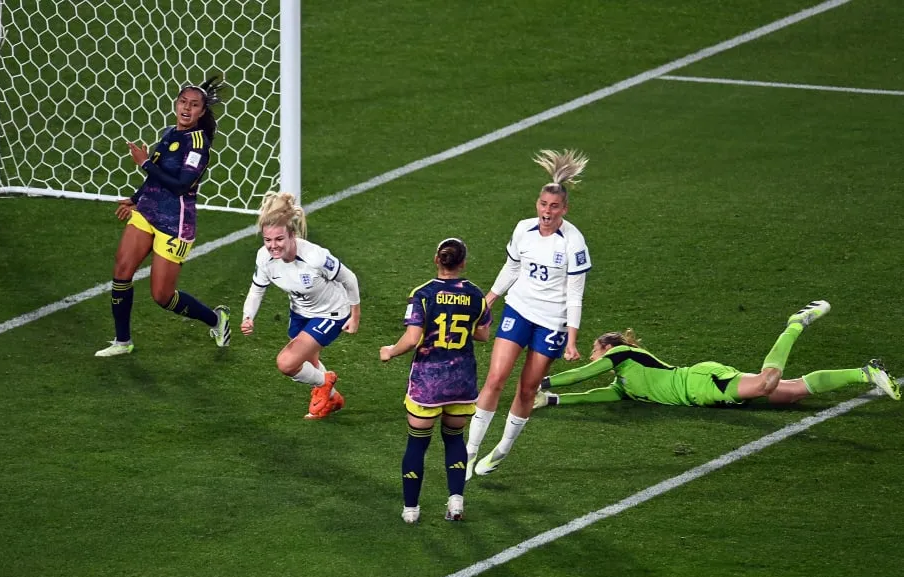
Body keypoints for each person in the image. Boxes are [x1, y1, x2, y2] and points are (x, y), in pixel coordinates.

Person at [465, 149, 592, 479]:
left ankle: (502, 449)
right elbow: (513, 266)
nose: (546, 212)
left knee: (526, 389)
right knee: (495, 379)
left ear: (564, 209)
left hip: (551, 322)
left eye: (554, 207)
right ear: (537, 203)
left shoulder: (573, 243)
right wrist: (490, 298)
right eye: (543, 205)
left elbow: (575, 293)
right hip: (519, 309)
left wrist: (572, 340)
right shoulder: (524, 229)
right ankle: (469, 453)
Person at [532, 301, 901, 412]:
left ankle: (794, 324)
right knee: (795, 392)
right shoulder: (625, 384)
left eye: (596, 349)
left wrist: (540, 381)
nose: (593, 357)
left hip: (701, 381)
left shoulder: (625, 354)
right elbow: (596, 394)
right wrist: (554, 399)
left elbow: (584, 375)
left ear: (608, 348)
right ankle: (865, 373)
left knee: (767, 383)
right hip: (702, 393)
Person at [95, 76, 231, 357]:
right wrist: (135, 199)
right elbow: (156, 174)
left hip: (175, 223)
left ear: (201, 112)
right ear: (176, 103)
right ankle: (123, 341)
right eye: (183, 102)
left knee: (162, 296)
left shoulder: (198, 144)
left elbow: (181, 184)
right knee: (122, 271)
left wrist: (144, 163)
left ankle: (217, 320)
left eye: (194, 105)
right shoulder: (170, 133)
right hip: (147, 211)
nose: (186, 108)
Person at [380, 238, 492, 524]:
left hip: (428, 383)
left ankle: (411, 510)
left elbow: (412, 338)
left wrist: (390, 351)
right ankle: (456, 502)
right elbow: (482, 334)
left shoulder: (423, 294)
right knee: (454, 439)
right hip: (462, 381)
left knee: (417, 444)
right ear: (463, 263)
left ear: (436, 260)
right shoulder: (476, 295)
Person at [240, 191, 362, 419]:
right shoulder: (264, 258)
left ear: (292, 235)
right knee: (307, 360)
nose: (273, 246)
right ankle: (332, 398)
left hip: (331, 313)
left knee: (287, 363)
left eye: (279, 239)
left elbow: (349, 278)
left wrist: (355, 315)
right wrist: (248, 316)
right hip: (300, 313)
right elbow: (257, 288)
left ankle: (324, 383)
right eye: (267, 240)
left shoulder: (314, 257)